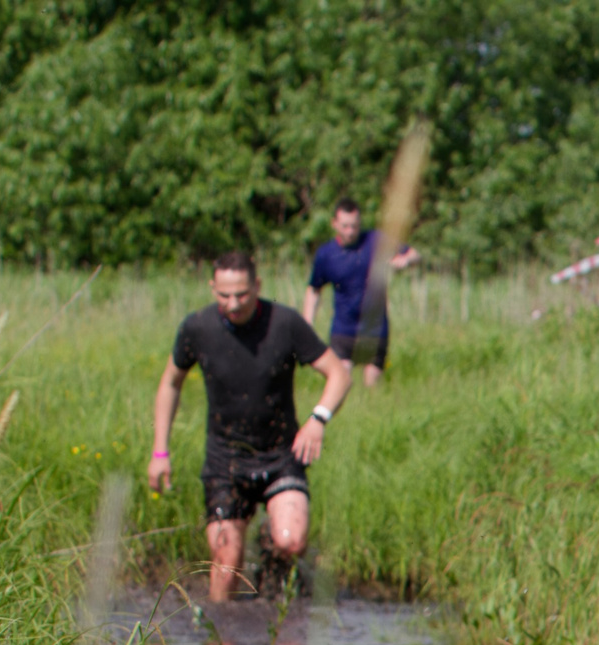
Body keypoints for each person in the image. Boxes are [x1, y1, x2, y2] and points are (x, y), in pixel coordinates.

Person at [150, 252, 351, 603]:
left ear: (257, 286)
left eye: (242, 294)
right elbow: (170, 384)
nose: (233, 304)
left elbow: (339, 373)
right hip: (225, 459)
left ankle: (272, 587)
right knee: (227, 563)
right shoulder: (197, 328)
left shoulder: (285, 324)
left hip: (281, 454)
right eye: (224, 295)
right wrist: (160, 452)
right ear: (212, 288)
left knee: (290, 540)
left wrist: (319, 419)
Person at [304, 199, 420, 387]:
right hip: (343, 329)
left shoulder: (375, 241)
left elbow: (414, 254)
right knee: (341, 384)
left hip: (375, 328)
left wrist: (406, 260)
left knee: (372, 386)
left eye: (355, 226)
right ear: (334, 224)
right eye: (345, 226)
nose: (351, 231)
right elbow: (314, 290)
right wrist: (307, 323)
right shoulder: (326, 255)